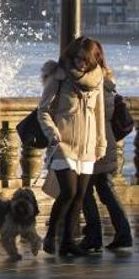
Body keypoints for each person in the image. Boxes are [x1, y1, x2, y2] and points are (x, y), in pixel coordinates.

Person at [37, 36, 107, 258]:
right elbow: (43, 109)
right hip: (62, 143)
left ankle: (67, 242)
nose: (81, 63)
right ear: (71, 55)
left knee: (80, 196)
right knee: (69, 192)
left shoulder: (97, 80)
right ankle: (50, 236)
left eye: (86, 60)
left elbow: (99, 114)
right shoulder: (59, 76)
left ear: (94, 60)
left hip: (87, 146)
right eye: (78, 58)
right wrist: (52, 132)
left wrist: (100, 143)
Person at [80, 45, 133, 251]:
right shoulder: (106, 81)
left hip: (97, 145)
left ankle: (95, 235)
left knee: (85, 191)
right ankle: (122, 233)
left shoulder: (96, 85)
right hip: (106, 143)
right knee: (104, 189)